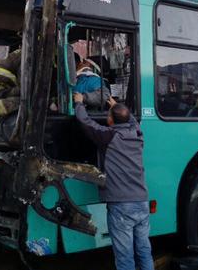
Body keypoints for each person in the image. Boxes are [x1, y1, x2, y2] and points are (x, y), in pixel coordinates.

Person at [74, 92, 154, 270]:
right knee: (143, 250)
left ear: (110, 121)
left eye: (109, 116)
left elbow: (85, 123)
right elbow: (132, 121)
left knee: (125, 256)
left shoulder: (108, 137)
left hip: (121, 205)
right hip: (141, 202)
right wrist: (115, 106)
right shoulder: (138, 134)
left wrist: (79, 103)